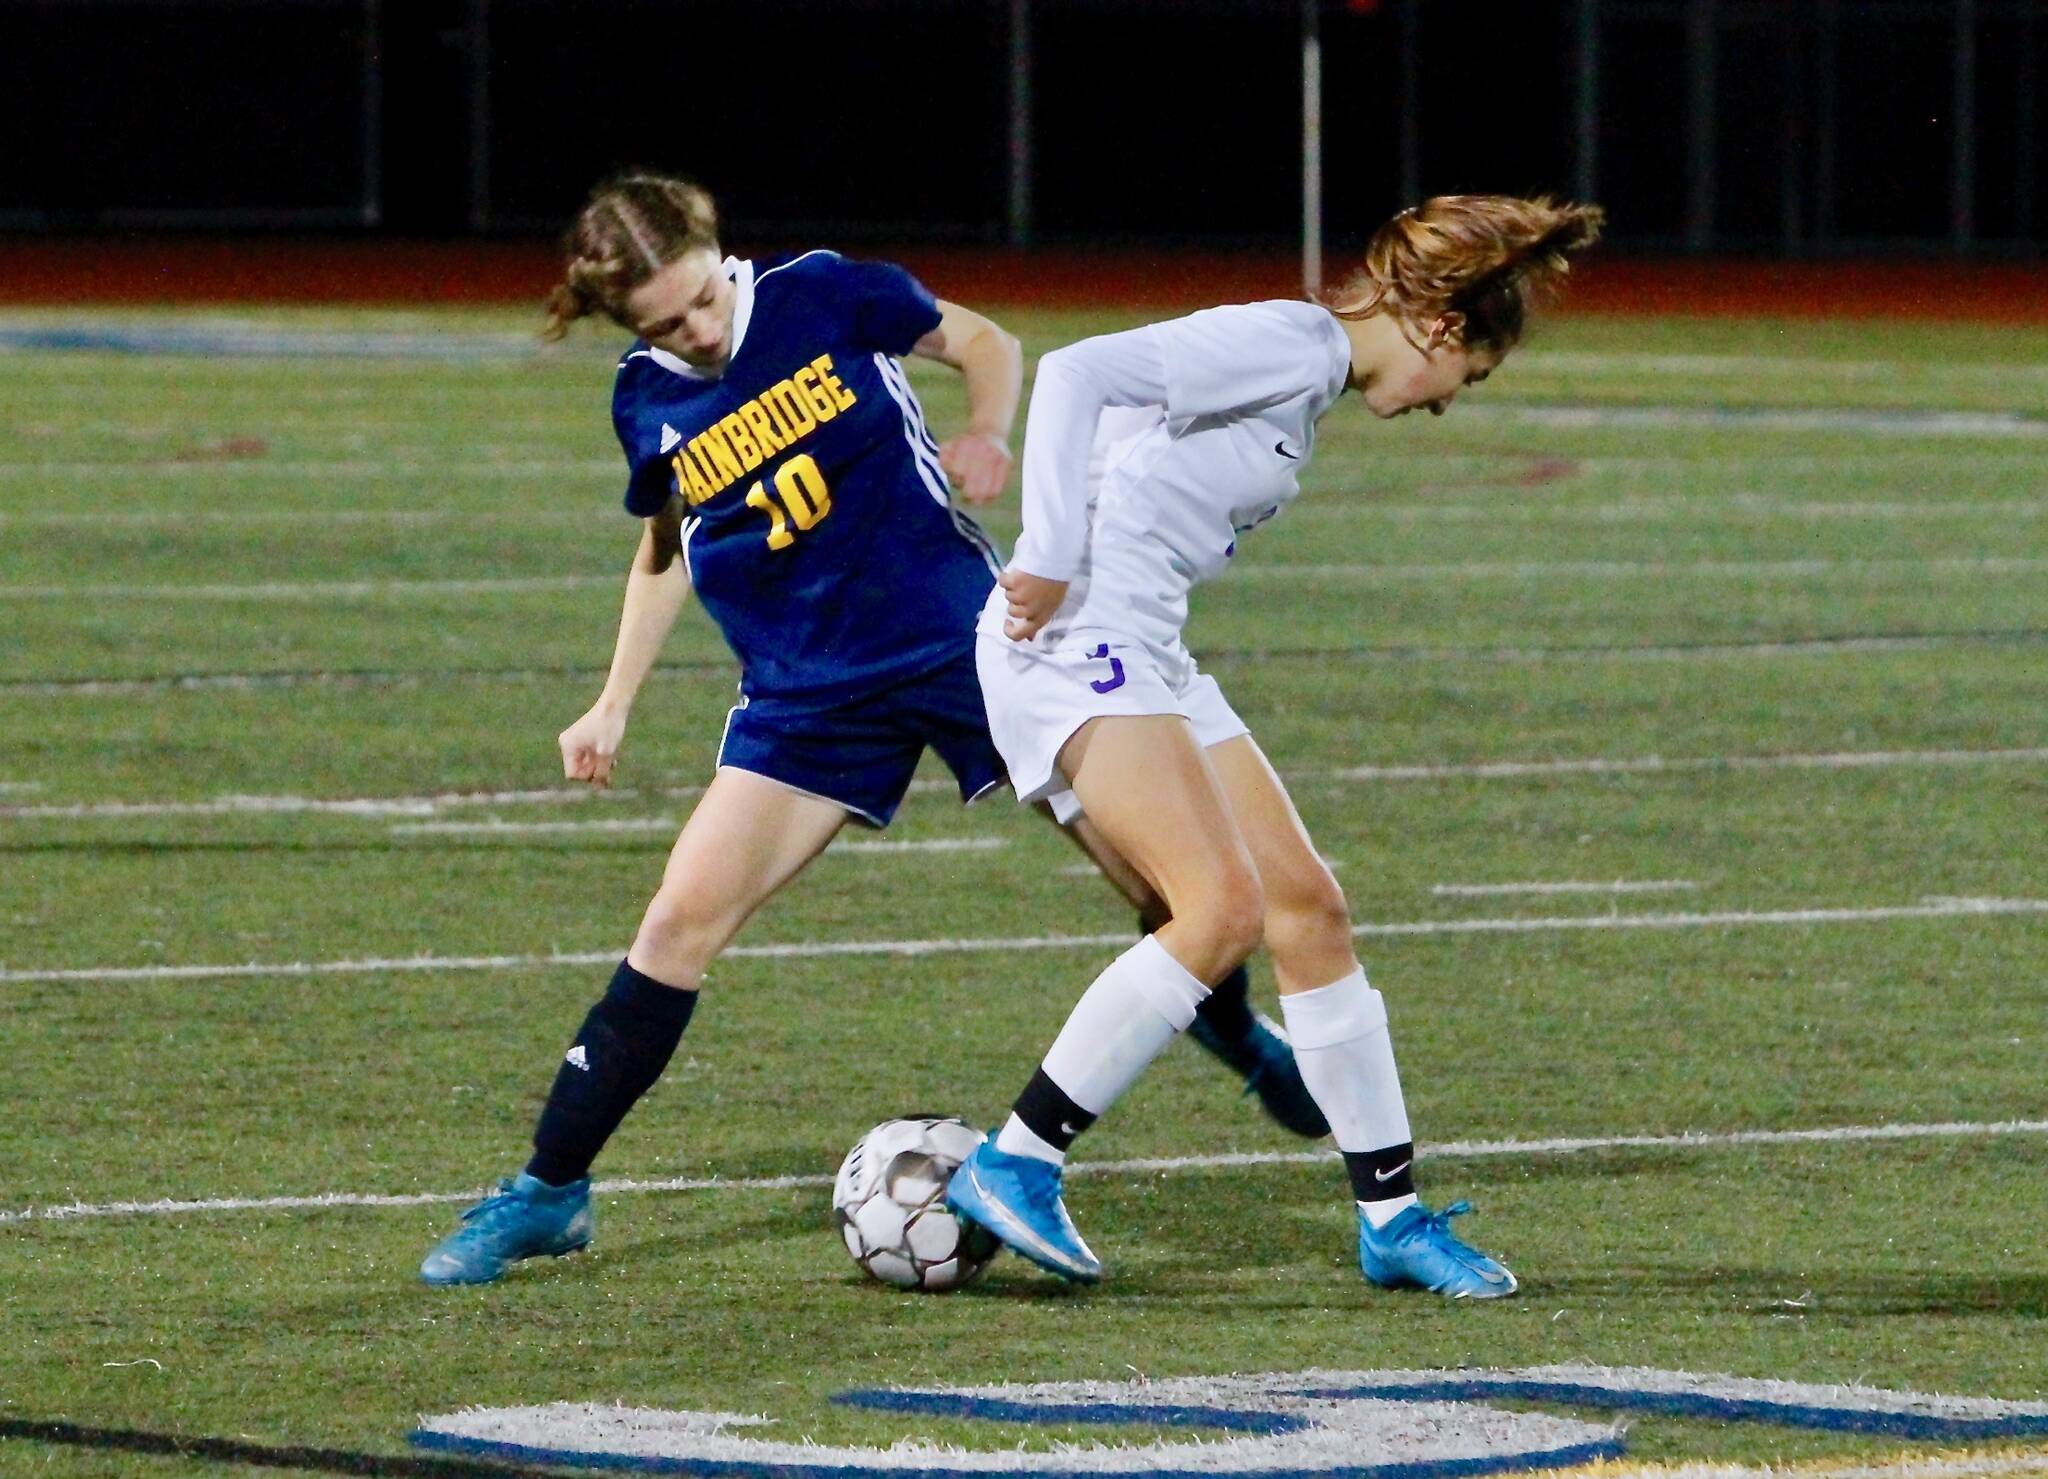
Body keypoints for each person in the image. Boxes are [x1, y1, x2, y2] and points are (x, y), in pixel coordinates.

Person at [419, 171, 1323, 1287]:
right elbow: (667, 543)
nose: (696, 332)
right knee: (674, 926)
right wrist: (611, 700)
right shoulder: (642, 397)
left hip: (965, 649)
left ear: (717, 249)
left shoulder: (824, 295)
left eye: (701, 299)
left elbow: (986, 341)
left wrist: (989, 434)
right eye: (664, 322)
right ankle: (548, 1193)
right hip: (805, 696)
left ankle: (1229, 1030)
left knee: (1164, 888)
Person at [945, 195, 1605, 1297]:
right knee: (1219, 910)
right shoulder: (1285, 342)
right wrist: (1052, 549)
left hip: (1142, 646)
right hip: (1073, 637)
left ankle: (1390, 1221)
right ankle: (1016, 1161)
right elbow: (1071, 373)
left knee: (1308, 906)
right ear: (1440, 330)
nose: (1449, 405)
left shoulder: (1305, 382)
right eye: (1469, 377)